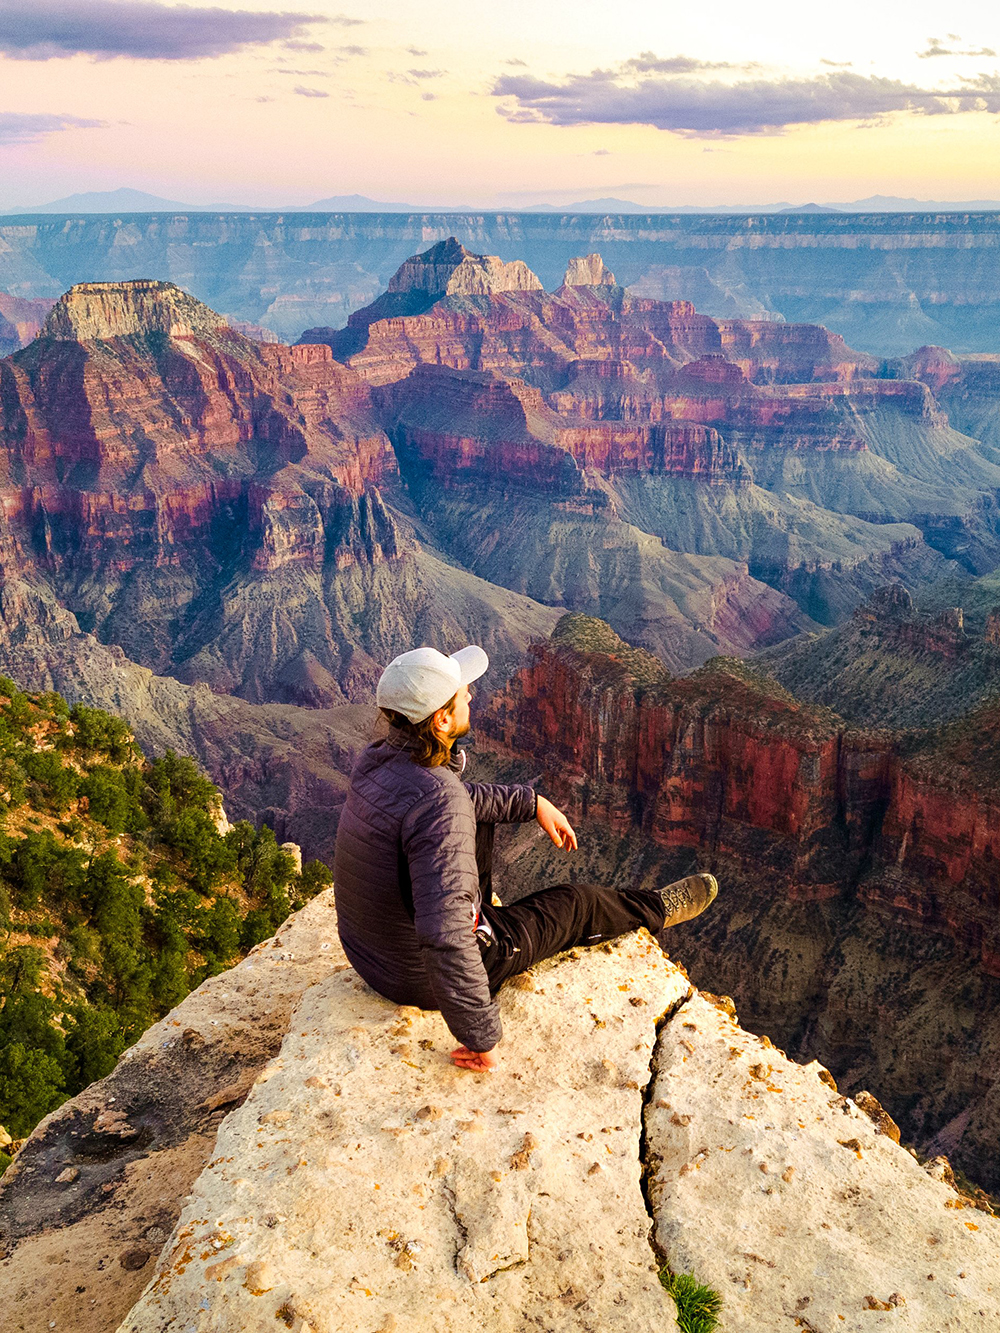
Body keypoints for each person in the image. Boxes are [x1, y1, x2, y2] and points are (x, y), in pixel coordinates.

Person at [333, 643, 718, 1072]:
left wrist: (531, 802)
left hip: (372, 958)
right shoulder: (439, 799)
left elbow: (456, 802)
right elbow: (446, 934)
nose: (472, 697)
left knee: (476, 822)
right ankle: (657, 908)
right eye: (463, 693)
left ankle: (482, 907)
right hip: (416, 977)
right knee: (577, 903)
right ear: (442, 719)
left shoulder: (378, 761)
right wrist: (481, 1035)